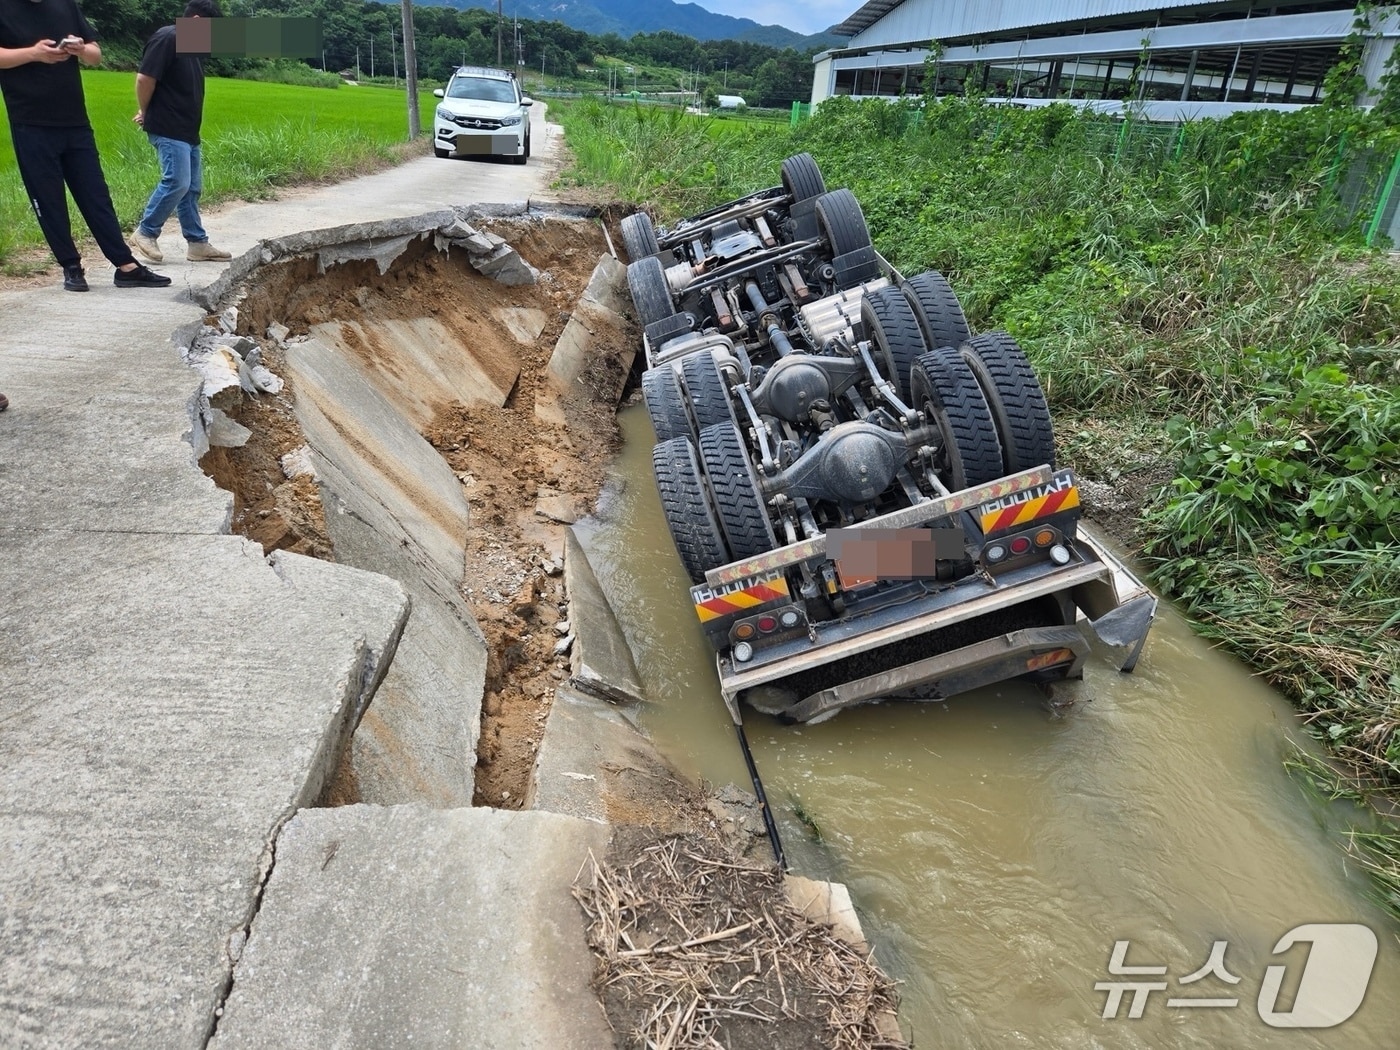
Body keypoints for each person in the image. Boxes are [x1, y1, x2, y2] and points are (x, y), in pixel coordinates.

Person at [0, 0, 170, 291]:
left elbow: (95, 56)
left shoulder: (64, 5)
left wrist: (80, 49)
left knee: (96, 193)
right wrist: (34, 54)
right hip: (30, 120)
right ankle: (71, 266)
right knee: (48, 197)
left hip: (74, 118)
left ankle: (125, 266)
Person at [130, 0, 230, 264]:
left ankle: (197, 243)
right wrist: (146, 110)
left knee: (191, 188)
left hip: (187, 129)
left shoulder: (191, 48)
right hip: (168, 126)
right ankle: (145, 231)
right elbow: (144, 78)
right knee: (177, 181)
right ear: (197, 22)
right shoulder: (168, 37)